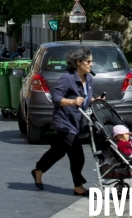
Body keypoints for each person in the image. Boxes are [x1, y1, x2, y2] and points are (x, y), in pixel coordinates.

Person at [32, 46, 100, 196]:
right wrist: (71, 102)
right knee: (77, 155)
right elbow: (56, 98)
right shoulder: (67, 78)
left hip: (77, 122)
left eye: (91, 61)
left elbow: (85, 99)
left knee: (57, 152)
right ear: (78, 62)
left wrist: (95, 100)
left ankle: (38, 170)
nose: (91, 64)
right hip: (64, 122)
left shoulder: (89, 78)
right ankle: (78, 186)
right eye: (88, 62)